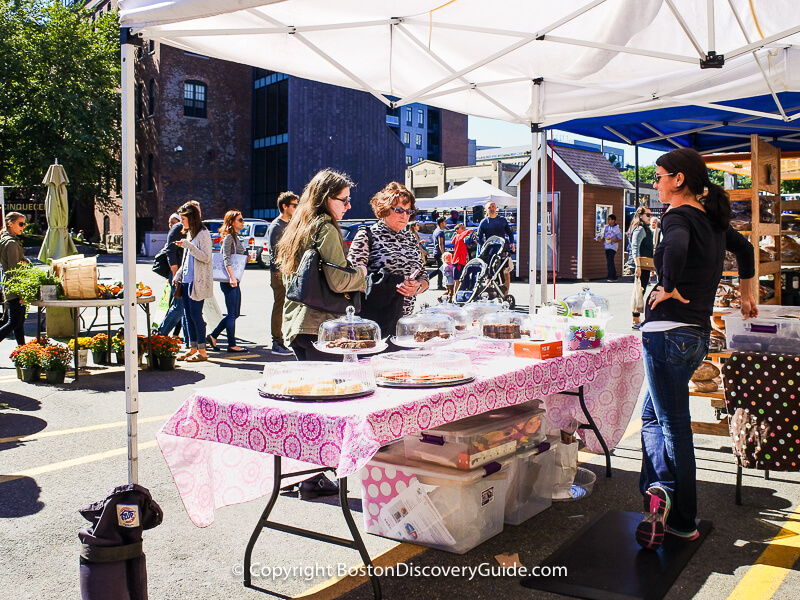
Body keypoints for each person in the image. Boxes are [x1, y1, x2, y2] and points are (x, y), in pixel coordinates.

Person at [635, 147, 758, 551]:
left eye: (659, 176)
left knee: (671, 424)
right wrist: (746, 292)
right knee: (655, 414)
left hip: (667, 332)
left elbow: (673, 248)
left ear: (679, 179)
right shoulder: (713, 221)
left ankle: (681, 514)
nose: (656, 183)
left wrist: (667, 284)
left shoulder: (679, 216)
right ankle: (660, 488)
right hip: (695, 337)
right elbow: (746, 251)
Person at [276, 169, 367, 361]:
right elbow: (339, 281)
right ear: (326, 198)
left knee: (310, 387)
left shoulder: (298, 227)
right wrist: (361, 273)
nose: (348, 206)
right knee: (330, 388)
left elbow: (290, 279)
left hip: (295, 325)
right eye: (344, 200)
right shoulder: (326, 228)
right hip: (321, 326)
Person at [348, 182, 430, 336]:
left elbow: (423, 275)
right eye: (399, 210)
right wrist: (388, 285)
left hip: (405, 322)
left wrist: (417, 286)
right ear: (385, 209)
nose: (405, 216)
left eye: (408, 211)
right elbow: (351, 278)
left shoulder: (410, 238)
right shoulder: (367, 235)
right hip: (374, 322)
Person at [173, 202, 213, 362]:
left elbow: (206, 257)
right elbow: (187, 260)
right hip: (187, 281)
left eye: (183, 219)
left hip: (198, 282)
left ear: (191, 218)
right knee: (188, 316)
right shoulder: (191, 234)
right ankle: (193, 348)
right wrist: (179, 274)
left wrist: (189, 246)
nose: (181, 222)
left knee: (196, 316)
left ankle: (202, 351)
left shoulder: (203, 234)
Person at [207, 210, 248, 353]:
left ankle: (213, 336)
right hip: (229, 279)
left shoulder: (235, 237)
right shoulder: (228, 238)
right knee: (231, 313)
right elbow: (226, 258)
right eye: (240, 220)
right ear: (231, 222)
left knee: (235, 313)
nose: (243, 222)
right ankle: (232, 344)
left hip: (234, 278)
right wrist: (231, 277)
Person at [267, 191, 299, 356]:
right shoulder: (276, 226)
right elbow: (276, 252)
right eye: (294, 205)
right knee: (280, 306)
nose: (296, 208)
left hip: (290, 272)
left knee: (290, 306)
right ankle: (277, 342)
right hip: (279, 273)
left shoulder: (290, 224)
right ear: (285, 206)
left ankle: (288, 339)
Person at [0, 212, 29, 347]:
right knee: (14, 322)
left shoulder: (9, 240)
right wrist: (21, 293)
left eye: (24, 224)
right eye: (21, 223)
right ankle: (23, 352)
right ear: (10, 224)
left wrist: (25, 262)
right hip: (14, 286)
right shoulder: (11, 243)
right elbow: (14, 271)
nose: (23, 227)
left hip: (12, 285)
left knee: (18, 323)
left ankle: (23, 352)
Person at [476, 201, 516, 292]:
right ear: (486, 210)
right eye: (489, 207)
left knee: (506, 272)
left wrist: (511, 243)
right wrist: (484, 246)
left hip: (502, 249)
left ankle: (505, 294)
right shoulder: (484, 222)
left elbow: (510, 233)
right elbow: (478, 237)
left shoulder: (502, 220)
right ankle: (487, 292)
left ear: (496, 208)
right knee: (489, 273)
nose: (492, 209)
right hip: (489, 250)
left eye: (493, 206)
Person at [157, 213, 186, 339]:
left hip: (188, 273)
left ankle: (187, 339)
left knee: (183, 308)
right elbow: (170, 251)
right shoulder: (178, 228)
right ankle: (161, 334)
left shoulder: (194, 229)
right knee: (178, 306)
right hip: (178, 273)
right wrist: (175, 272)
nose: (170, 225)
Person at [628, 206, 654, 330]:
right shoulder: (639, 229)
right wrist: (638, 265)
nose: (650, 217)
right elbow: (635, 247)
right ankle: (635, 319)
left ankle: (637, 319)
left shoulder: (645, 229)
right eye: (648, 215)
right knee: (638, 291)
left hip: (645, 264)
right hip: (640, 264)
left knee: (641, 291)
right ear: (640, 215)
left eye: (650, 215)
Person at [595, 214, 622, 281]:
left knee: (610, 260)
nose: (608, 220)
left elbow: (619, 239)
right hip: (607, 246)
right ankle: (613, 275)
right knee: (609, 261)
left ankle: (611, 276)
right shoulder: (606, 228)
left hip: (613, 247)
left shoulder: (617, 229)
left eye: (609, 219)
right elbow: (603, 236)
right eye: (608, 219)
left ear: (613, 220)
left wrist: (612, 239)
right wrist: (599, 239)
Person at [451, 223, 472, 294]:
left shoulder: (458, 237)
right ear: (457, 230)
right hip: (458, 262)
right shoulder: (458, 237)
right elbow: (461, 236)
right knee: (458, 280)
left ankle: (454, 294)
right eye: (462, 228)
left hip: (460, 261)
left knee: (460, 280)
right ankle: (454, 295)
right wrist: (468, 231)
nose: (464, 229)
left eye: (464, 228)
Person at [431, 216, 447, 290]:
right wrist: (443, 254)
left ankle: (439, 284)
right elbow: (441, 243)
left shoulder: (436, 230)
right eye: (444, 221)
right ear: (441, 223)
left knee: (440, 269)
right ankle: (438, 284)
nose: (445, 223)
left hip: (436, 252)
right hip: (439, 252)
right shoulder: (440, 232)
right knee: (440, 269)